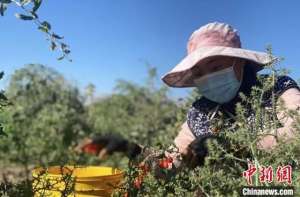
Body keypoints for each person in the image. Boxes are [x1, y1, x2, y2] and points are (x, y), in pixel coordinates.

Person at [76, 22, 300, 171]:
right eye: (199, 73)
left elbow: (295, 133)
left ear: (239, 62)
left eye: (214, 66)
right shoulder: (201, 114)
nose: (208, 77)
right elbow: (171, 165)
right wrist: (132, 150)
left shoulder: (277, 90)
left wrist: (232, 146)